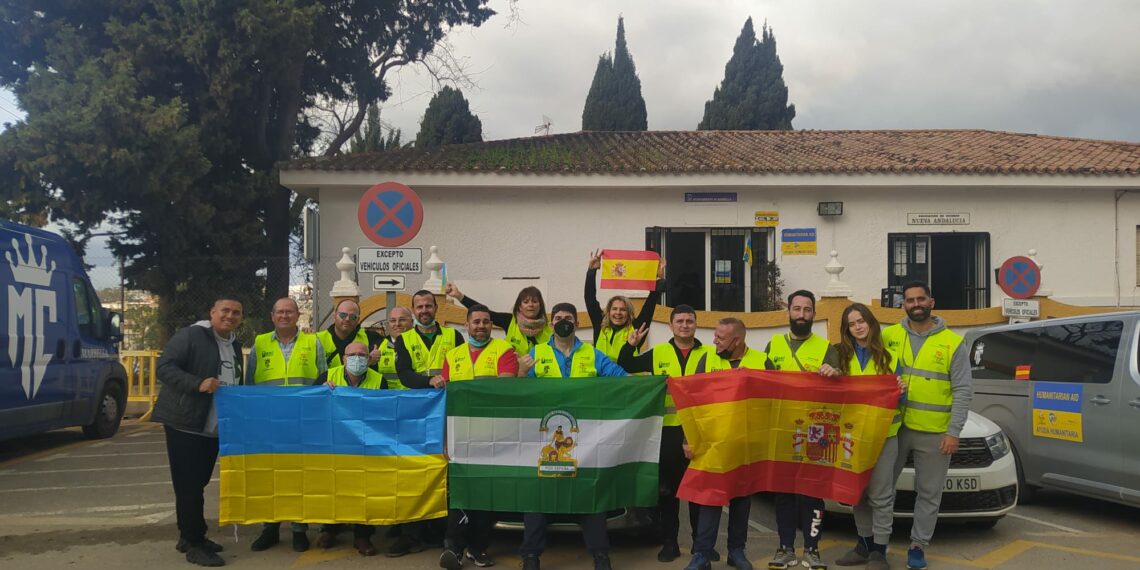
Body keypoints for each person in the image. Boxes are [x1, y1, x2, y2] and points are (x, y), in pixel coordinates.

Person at [518, 302, 627, 570]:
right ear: (550, 323)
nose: (563, 321)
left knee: (588, 496)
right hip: (544, 439)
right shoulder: (535, 353)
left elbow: (623, 380)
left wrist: (651, 384)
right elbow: (517, 394)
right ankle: (530, 556)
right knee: (538, 497)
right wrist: (521, 372)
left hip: (584, 440)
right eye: (558, 318)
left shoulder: (593, 354)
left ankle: (601, 555)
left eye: (568, 318)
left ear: (576, 324)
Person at [879, 282, 971, 570]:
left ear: (932, 301)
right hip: (894, 428)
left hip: (934, 431)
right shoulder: (888, 335)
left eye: (921, 299)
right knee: (882, 489)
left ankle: (918, 546)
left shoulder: (953, 342)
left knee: (929, 493)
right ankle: (877, 545)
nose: (915, 303)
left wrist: (953, 431)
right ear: (902, 304)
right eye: (910, 300)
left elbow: (963, 390)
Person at [153, 297, 245, 567]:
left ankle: (188, 535)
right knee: (189, 485)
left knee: (197, 484)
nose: (230, 316)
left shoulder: (234, 345)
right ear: (213, 312)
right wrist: (197, 383)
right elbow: (164, 367)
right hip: (186, 422)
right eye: (225, 311)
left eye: (236, 313)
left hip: (214, 425)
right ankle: (194, 542)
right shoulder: (193, 335)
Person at [617, 305, 708, 563]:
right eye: (679, 321)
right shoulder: (658, 353)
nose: (685, 325)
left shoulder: (709, 353)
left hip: (699, 431)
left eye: (689, 321)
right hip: (667, 431)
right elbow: (626, 363)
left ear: (695, 324)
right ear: (671, 326)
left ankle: (702, 545)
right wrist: (630, 344)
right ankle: (670, 543)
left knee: (699, 492)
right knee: (669, 493)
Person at [434, 304, 519, 570]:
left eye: (485, 322)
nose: (480, 326)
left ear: (491, 325)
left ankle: (477, 547)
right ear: (467, 325)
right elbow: (447, 399)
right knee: (460, 492)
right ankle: (454, 548)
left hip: (493, 434)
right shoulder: (453, 355)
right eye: (476, 321)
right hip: (460, 434)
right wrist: (445, 438)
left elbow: (504, 391)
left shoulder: (504, 351)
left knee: (486, 494)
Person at [763, 290, 841, 570]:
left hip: (816, 431)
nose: (801, 315)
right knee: (783, 491)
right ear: (789, 311)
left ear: (814, 314)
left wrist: (835, 375)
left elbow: (841, 387)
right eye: (797, 309)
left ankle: (812, 549)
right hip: (782, 427)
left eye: (807, 310)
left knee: (812, 492)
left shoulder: (825, 347)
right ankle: (784, 548)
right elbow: (764, 384)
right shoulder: (773, 344)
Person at [244, 297, 327, 552]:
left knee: (299, 475)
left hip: (304, 420)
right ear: (272, 316)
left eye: (289, 312)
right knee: (270, 475)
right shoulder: (259, 343)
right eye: (279, 312)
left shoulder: (313, 342)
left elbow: (324, 378)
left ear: (298, 315)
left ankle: (299, 529)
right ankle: (270, 528)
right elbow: (249, 384)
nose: (284, 316)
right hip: (270, 421)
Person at [683, 317, 764, 570]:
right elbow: (691, 402)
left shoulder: (761, 362)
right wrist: (688, 438)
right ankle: (702, 554)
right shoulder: (706, 360)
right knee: (710, 500)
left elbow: (776, 401)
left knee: (741, 500)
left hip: (745, 444)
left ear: (737, 340)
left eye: (720, 337)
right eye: (715, 335)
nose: (714, 341)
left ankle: (736, 552)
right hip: (712, 444)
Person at [390, 290, 466, 556]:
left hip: (447, 411)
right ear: (413, 310)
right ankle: (413, 533)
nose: (424, 310)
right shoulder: (404, 340)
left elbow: (461, 366)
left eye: (428, 305)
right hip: (417, 414)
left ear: (436, 308)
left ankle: (440, 530)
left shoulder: (453, 336)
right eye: (419, 306)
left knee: (444, 468)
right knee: (416, 471)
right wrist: (428, 382)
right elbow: (405, 375)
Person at [833, 303, 905, 570]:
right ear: (847, 329)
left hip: (885, 436)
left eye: (861, 321)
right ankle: (863, 545)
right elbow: (827, 391)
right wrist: (828, 374)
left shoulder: (891, 357)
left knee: (881, 495)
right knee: (857, 492)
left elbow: (901, 399)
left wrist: (901, 389)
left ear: (871, 323)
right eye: (852, 324)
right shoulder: (839, 356)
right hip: (852, 437)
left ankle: (879, 551)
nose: (858, 327)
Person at [311, 342, 385, 556]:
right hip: (334, 443)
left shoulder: (379, 380)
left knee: (363, 490)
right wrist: (321, 392)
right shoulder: (328, 375)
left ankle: (362, 536)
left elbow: (386, 412)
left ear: (369, 359)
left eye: (362, 355)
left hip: (365, 444)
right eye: (352, 355)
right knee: (334, 487)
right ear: (343, 358)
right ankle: (331, 529)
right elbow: (309, 406)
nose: (357, 358)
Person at [585, 249, 666, 360]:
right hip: (603, 377)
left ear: (629, 313)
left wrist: (658, 281)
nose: (618, 313)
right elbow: (590, 299)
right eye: (614, 309)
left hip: (628, 377)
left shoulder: (636, 328)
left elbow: (649, 306)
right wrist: (591, 271)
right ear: (608, 311)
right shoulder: (600, 325)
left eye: (623, 309)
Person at [445, 283, 552, 357]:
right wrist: (459, 296)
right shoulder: (509, 321)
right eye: (526, 302)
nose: (531, 305)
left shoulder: (550, 328)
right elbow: (485, 312)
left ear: (540, 305)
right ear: (519, 306)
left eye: (534, 301)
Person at [316, 298, 384, 369]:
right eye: (343, 315)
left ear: (358, 319)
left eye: (353, 317)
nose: (347, 319)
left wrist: (372, 360)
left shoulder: (372, 338)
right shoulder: (317, 339)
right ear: (334, 316)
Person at [378, 306, 414, 388]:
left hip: (415, 397)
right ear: (388, 324)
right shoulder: (378, 346)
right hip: (388, 397)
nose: (397, 324)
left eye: (402, 320)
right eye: (393, 320)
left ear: (412, 322)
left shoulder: (421, 343)